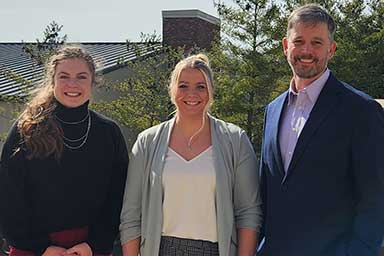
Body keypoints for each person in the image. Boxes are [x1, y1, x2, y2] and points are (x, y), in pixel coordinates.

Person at [258, 3, 384, 256]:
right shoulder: (272, 110)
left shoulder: (361, 110)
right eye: (299, 41)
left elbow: (376, 200)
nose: (306, 50)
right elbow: (267, 192)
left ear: (332, 50)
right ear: (285, 46)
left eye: (317, 42)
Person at [119, 53, 262, 256]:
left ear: (211, 91)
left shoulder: (236, 140)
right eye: (183, 86)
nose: (191, 94)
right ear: (172, 90)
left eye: (200, 87)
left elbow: (248, 212)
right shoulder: (146, 142)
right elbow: (131, 216)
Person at [0, 46, 128, 256]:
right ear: (53, 81)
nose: (72, 84)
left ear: (93, 81)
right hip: (33, 249)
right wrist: (42, 247)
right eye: (64, 76)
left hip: (90, 250)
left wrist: (94, 245)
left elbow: (118, 198)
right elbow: (8, 197)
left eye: (81, 77)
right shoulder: (27, 129)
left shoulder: (108, 133)